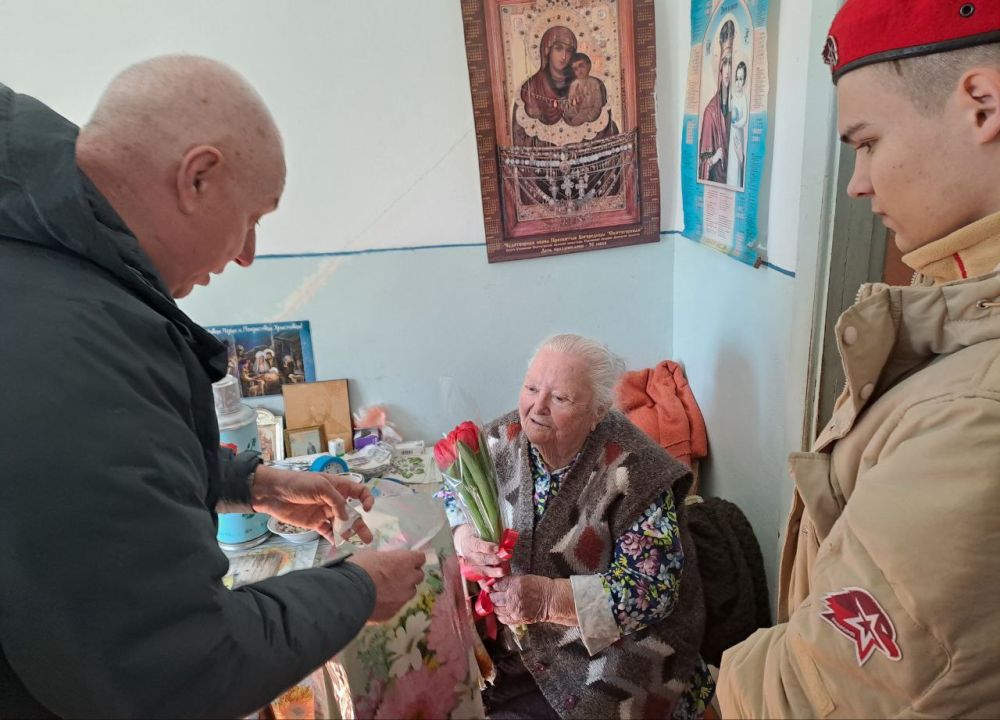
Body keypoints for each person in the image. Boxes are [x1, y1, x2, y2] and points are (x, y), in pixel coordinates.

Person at [0, 56, 425, 717]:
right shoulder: (70, 337)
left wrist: (251, 484)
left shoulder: (48, 257)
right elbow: (179, 669)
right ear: (196, 177)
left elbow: (112, 467)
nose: (248, 252)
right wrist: (358, 592)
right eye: (253, 216)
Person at [717, 2, 1000, 716]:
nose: (857, 182)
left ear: (982, 105)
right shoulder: (958, 308)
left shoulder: (975, 414)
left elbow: (816, 691)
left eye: (867, 142)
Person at [449, 334, 714, 719]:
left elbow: (649, 592)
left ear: (598, 411)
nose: (537, 407)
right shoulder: (500, 439)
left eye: (560, 399)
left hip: (616, 649)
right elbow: (452, 495)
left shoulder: (636, 470)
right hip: (516, 645)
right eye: (531, 388)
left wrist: (547, 600)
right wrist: (465, 537)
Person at [698, 19, 735, 183]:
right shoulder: (710, 112)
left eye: (731, 63)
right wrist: (715, 158)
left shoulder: (736, 106)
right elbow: (701, 165)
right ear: (720, 67)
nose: (728, 70)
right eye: (725, 63)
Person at [563, 52, 606, 127]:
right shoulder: (574, 85)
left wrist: (587, 118)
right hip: (577, 115)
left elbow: (597, 105)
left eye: (581, 66)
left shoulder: (594, 83)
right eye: (575, 69)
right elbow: (571, 105)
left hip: (592, 118)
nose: (579, 71)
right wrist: (575, 107)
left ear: (589, 65)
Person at [726, 61, 749, 188]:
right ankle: (729, 184)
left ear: (744, 80)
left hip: (738, 132)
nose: (738, 82)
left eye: (741, 79)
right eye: (737, 78)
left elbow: (745, 118)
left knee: (737, 157)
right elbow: (729, 110)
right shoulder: (733, 95)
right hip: (732, 133)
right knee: (731, 160)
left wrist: (737, 124)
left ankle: (736, 184)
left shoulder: (744, 98)